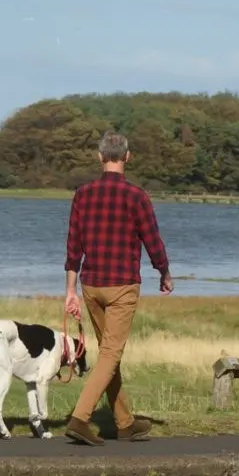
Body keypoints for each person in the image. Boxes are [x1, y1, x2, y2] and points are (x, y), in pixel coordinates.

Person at [63, 129, 172, 446]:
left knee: (111, 354)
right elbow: (152, 240)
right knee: (111, 354)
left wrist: (70, 292)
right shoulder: (137, 196)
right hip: (123, 284)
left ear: (99, 157)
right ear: (127, 157)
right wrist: (164, 272)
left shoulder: (83, 194)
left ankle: (124, 423)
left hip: (91, 284)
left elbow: (73, 247)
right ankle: (80, 418)